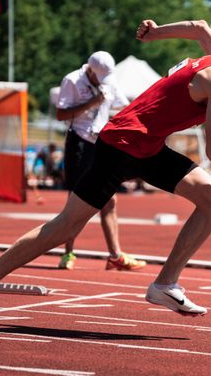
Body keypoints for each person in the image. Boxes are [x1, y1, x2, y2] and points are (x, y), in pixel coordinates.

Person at [0, 19, 211, 329]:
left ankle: (165, 284)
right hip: (120, 145)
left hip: (148, 148)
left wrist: (155, 33)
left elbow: (200, 27)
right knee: (65, 227)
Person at [55, 51, 146, 271]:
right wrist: (92, 102)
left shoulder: (108, 78)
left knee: (110, 199)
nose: (103, 82)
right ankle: (67, 253)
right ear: (91, 70)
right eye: (99, 78)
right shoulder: (72, 80)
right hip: (80, 142)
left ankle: (115, 255)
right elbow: (61, 114)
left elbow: (121, 106)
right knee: (76, 201)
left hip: (102, 142)